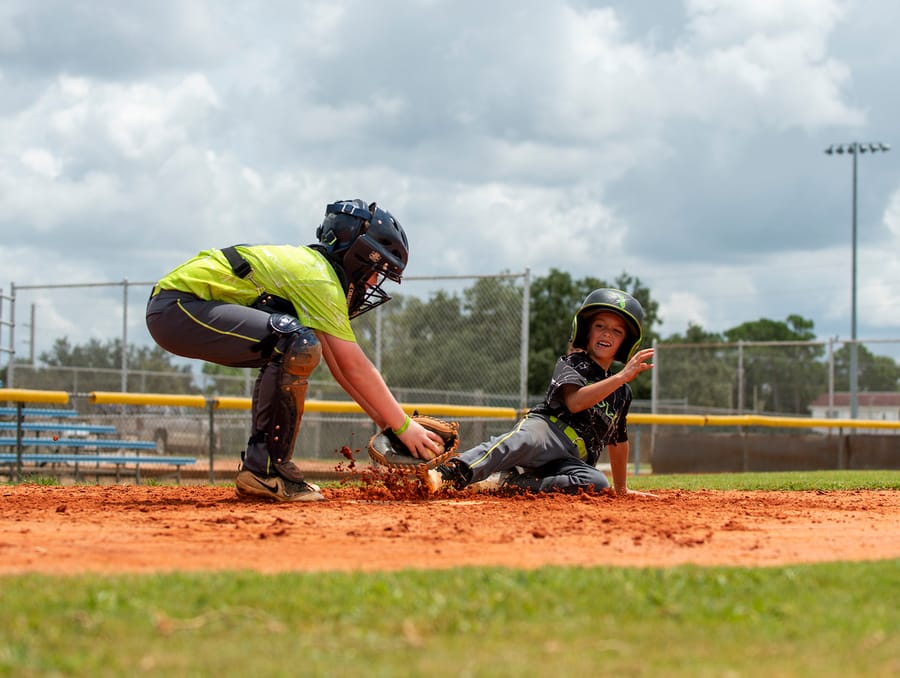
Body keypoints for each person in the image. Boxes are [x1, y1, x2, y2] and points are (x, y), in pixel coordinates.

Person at [146, 199, 444, 502]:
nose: (372, 283)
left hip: (179, 309)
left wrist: (390, 428)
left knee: (294, 343)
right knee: (295, 343)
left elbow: (342, 371)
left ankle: (262, 471)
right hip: (179, 307)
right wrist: (404, 425)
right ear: (356, 256)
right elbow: (355, 365)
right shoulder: (320, 278)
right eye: (374, 269)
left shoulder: (316, 276)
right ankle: (266, 472)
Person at [418, 288, 658, 497]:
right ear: (586, 331)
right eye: (600, 326)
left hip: (572, 461)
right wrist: (621, 377)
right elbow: (574, 402)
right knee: (519, 441)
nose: (607, 333)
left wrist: (621, 489)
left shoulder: (622, 392)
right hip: (548, 431)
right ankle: (449, 472)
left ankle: (509, 483)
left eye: (617, 331)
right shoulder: (574, 363)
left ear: (626, 343)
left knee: (595, 482)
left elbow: (619, 442)